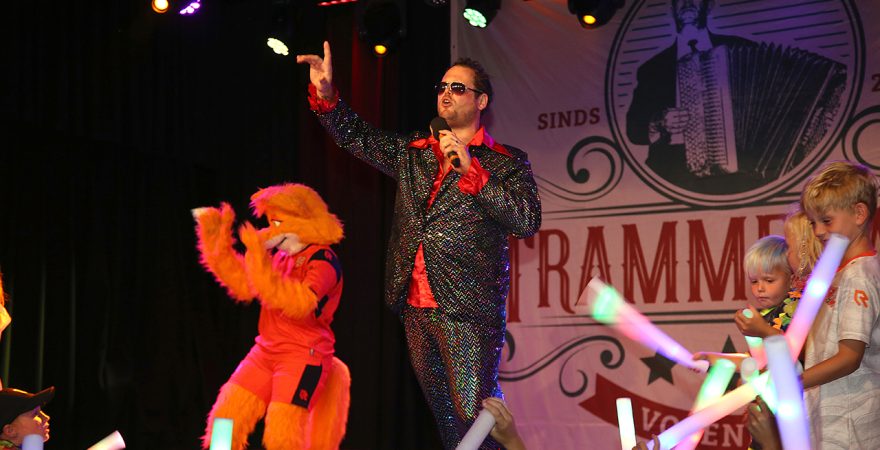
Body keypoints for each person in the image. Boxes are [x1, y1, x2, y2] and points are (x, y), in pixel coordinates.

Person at [296, 42, 541, 449]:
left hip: (467, 311)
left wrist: (472, 170)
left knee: (477, 416)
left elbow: (526, 220)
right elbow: (358, 137)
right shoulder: (415, 152)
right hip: (414, 306)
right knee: (447, 420)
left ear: (481, 101)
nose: (446, 93)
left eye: (458, 88)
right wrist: (327, 95)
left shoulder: (505, 161)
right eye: (442, 86)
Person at [194, 184, 350, 450]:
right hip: (266, 351)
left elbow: (299, 303)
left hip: (303, 355)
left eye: (278, 223)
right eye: (270, 223)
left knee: (282, 436)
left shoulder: (323, 260)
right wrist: (214, 238)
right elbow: (243, 284)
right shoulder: (281, 258)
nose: (270, 231)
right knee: (225, 420)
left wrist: (259, 259)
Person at [799, 161, 880, 448]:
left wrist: (794, 382)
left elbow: (849, 356)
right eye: (813, 222)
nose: (818, 231)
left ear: (859, 214)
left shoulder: (859, 275)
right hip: (831, 415)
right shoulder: (840, 274)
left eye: (826, 220)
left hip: (851, 419)